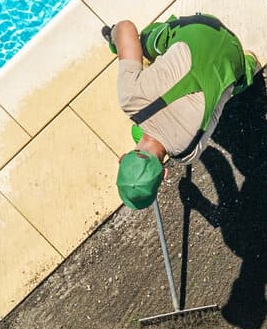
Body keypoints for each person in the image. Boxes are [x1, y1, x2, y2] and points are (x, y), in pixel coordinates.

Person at [107, 14, 258, 211]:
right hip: (204, 26)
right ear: (122, 157)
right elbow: (126, 27)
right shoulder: (129, 98)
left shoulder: (188, 152)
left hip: (232, 53)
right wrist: (113, 36)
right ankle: (136, 42)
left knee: (228, 87)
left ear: (164, 174)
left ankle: (248, 66)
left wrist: (199, 203)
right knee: (145, 42)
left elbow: (217, 110)